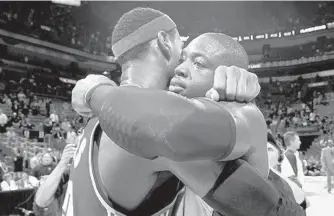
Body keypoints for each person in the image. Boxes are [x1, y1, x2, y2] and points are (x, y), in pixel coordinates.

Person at [72, 8, 304, 216]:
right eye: (183, 56)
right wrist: (249, 126)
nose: (182, 68)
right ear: (165, 42)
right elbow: (270, 210)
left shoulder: (95, 122)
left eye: (198, 63)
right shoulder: (163, 140)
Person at [33, 144, 76, 216]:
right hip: (48, 190)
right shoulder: (38, 167)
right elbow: (40, 201)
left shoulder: (55, 165)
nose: (46, 158)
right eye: (45, 157)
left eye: (48, 157)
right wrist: (63, 163)